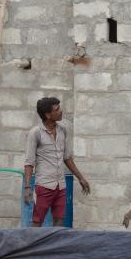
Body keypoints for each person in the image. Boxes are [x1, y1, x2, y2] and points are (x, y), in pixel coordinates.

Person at [24, 97, 90, 227]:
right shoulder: (35, 133)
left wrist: (81, 178)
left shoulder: (62, 130)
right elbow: (29, 162)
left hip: (61, 185)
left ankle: (55, 247)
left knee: (59, 221)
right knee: (37, 222)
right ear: (48, 115)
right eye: (57, 109)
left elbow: (67, 158)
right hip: (44, 185)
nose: (61, 111)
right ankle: (33, 247)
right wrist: (27, 187)